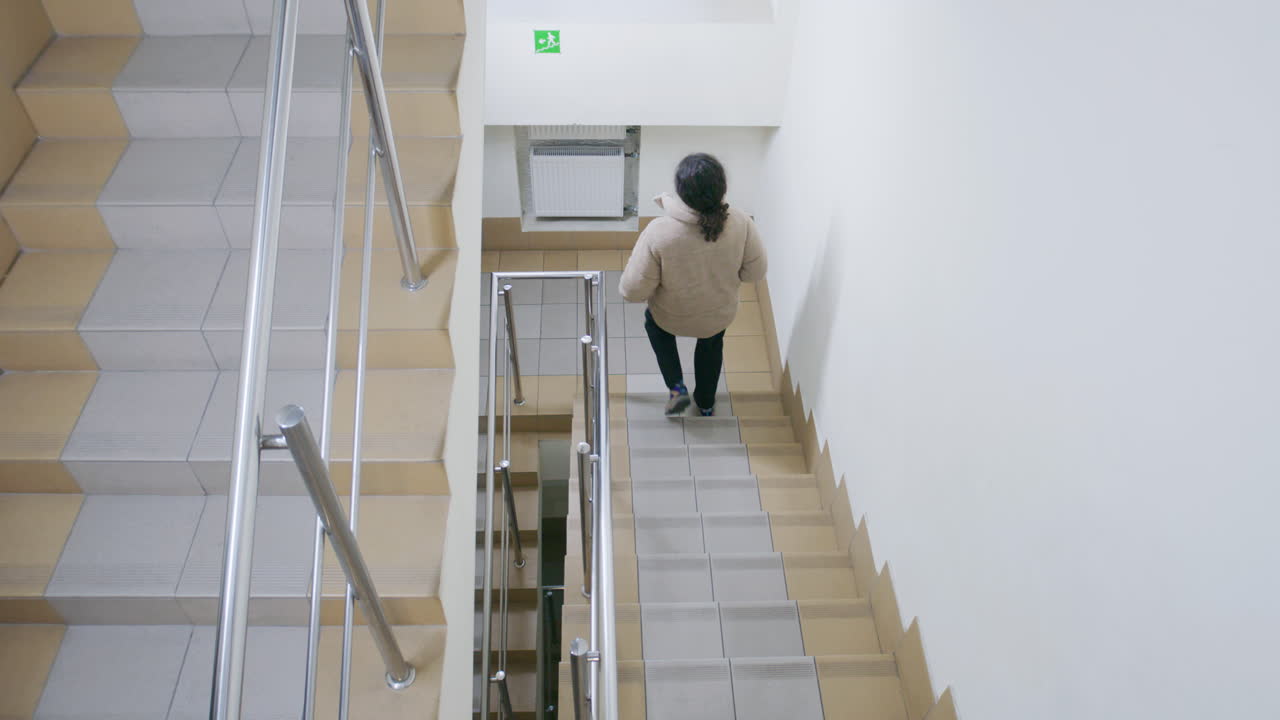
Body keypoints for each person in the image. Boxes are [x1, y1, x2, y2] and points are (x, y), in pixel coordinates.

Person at [619, 153, 767, 416]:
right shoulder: (741, 222)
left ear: (681, 192)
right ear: (721, 188)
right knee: (711, 346)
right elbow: (754, 273)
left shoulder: (659, 232)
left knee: (655, 328)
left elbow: (632, 291)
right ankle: (707, 403)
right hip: (717, 316)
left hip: (669, 316)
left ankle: (677, 393)